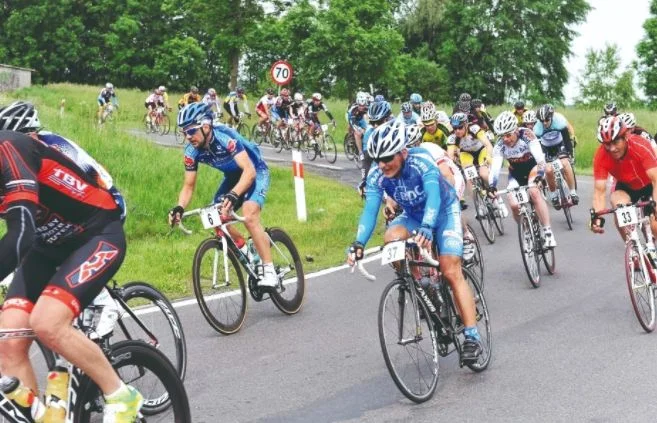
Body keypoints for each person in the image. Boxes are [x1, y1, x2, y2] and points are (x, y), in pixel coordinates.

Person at [0, 102, 142, 422]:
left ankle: (121, 395)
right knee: (8, 338)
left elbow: (21, 232)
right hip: (47, 246)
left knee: (46, 323)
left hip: (96, 232)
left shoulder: (13, 148)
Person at [346, 119, 483, 363]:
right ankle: (420, 288)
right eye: (378, 159)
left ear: (403, 152)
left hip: (442, 210)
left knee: (450, 270)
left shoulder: (421, 162)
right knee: (391, 239)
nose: (383, 165)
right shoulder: (378, 174)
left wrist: (428, 227)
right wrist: (358, 244)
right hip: (412, 215)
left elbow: (432, 196)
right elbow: (370, 210)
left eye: (388, 158)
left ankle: (472, 337)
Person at [168, 103, 277, 288]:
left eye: (191, 131)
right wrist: (179, 207)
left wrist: (235, 194)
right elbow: (188, 186)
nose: (187, 137)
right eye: (183, 132)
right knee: (215, 216)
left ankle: (270, 271)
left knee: (249, 215)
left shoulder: (225, 138)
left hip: (255, 171)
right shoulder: (191, 152)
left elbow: (249, 172)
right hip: (233, 177)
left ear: (205, 126)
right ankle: (247, 249)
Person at [488, 111, 557, 248]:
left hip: (533, 169)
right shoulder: (500, 145)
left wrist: (540, 175)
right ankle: (526, 230)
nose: (506, 139)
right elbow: (495, 168)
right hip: (516, 174)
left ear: (515, 131)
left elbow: (540, 158)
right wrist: (492, 185)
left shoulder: (527, 135)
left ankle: (548, 232)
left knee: (534, 192)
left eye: (508, 135)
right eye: (502, 136)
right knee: (514, 205)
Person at [590, 116, 657, 241]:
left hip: (650, 184)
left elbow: (656, 180)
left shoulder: (640, 145)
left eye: (616, 142)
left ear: (625, 137)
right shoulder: (601, 156)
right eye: (607, 144)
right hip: (627, 186)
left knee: (655, 226)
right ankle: (632, 247)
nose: (612, 149)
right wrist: (597, 217)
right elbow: (599, 191)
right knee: (617, 204)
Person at [533, 104, 578, 207]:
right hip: (545, 147)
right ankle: (554, 195)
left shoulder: (559, 121)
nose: (544, 123)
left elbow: (567, 140)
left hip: (560, 144)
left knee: (565, 163)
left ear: (551, 117)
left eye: (547, 120)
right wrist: (541, 161)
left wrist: (570, 154)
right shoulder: (537, 129)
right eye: (542, 121)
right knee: (548, 170)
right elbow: (537, 147)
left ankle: (573, 192)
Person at [345, 92, 369, 160]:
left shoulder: (368, 107)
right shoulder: (353, 108)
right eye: (360, 106)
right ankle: (361, 152)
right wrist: (358, 129)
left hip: (361, 118)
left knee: (366, 128)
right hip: (351, 118)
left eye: (363, 105)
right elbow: (353, 122)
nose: (361, 107)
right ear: (357, 104)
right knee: (357, 133)